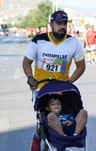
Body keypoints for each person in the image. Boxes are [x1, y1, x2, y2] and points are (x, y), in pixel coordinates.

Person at [22, 10, 86, 151]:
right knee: (42, 122)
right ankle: (37, 138)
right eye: (58, 23)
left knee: (60, 118)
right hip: (41, 87)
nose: (62, 26)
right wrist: (30, 79)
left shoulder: (73, 42)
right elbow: (26, 62)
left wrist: (70, 82)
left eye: (64, 23)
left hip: (62, 89)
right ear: (51, 24)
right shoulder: (39, 40)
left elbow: (81, 66)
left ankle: (57, 143)